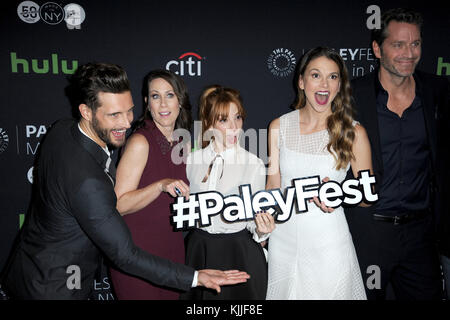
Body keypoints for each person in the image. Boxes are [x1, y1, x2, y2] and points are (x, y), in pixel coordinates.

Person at [0, 62, 250, 299]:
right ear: (86, 112)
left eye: (129, 111)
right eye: (115, 115)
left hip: (167, 248)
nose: (127, 122)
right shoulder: (107, 166)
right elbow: (123, 245)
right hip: (56, 283)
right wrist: (196, 277)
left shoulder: (62, 129)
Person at [345, 8, 449, 300]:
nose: (409, 53)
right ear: (377, 49)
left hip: (421, 236)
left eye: (415, 44)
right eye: (398, 44)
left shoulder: (437, 91)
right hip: (370, 234)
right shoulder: (352, 96)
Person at [265, 47, 372, 300]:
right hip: (283, 241)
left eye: (333, 77)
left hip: (329, 244)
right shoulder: (278, 126)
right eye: (316, 75)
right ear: (301, 82)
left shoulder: (354, 132)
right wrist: (265, 222)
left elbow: (368, 196)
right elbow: (273, 183)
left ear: (340, 85)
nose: (324, 84)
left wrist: (340, 196)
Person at [181, 85, 275, 300]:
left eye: (238, 117)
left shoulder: (254, 164)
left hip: (240, 253)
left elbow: (254, 223)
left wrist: (263, 231)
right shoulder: (191, 161)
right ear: (209, 122)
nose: (234, 127)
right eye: (224, 120)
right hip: (200, 251)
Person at [109, 69, 192, 300]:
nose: (163, 103)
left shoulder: (181, 142)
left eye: (170, 95)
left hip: (171, 253)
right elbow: (118, 205)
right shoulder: (140, 141)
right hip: (138, 257)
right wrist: (159, 186)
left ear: (180, 100)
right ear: (147, 103)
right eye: (155, 96)